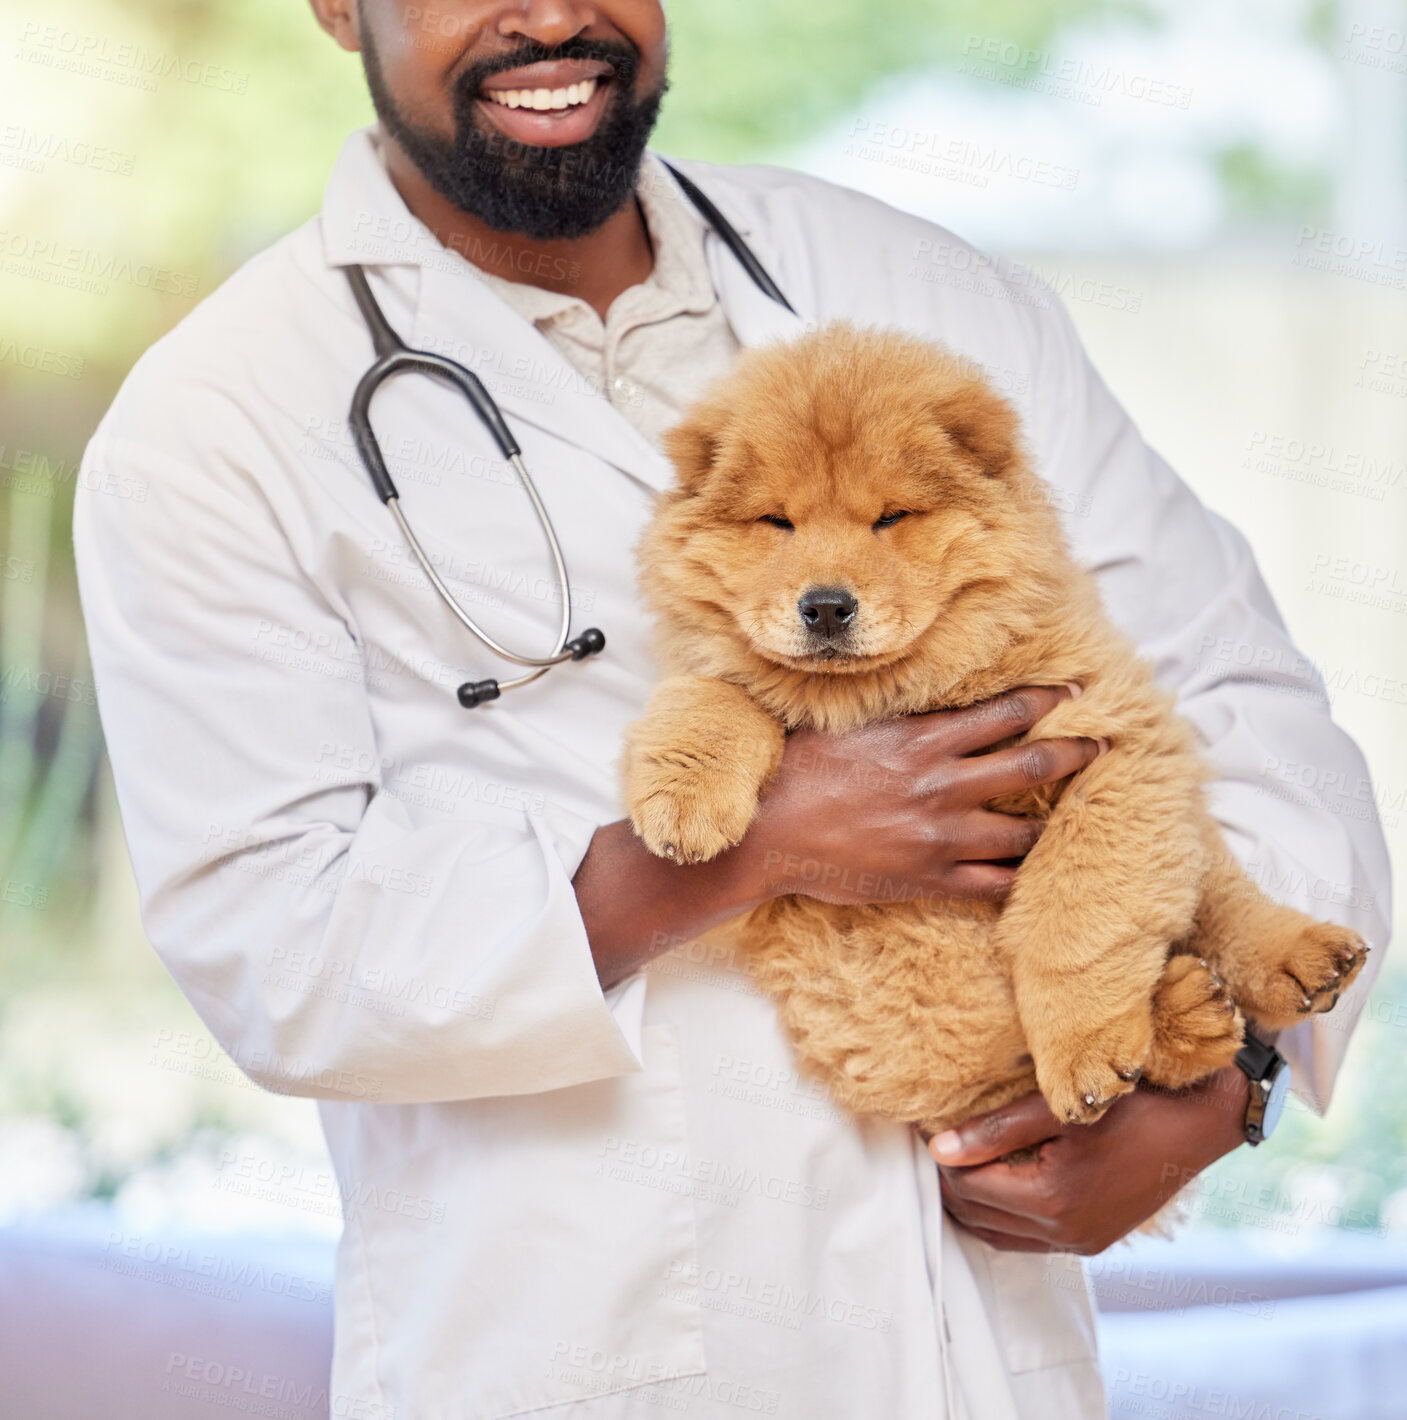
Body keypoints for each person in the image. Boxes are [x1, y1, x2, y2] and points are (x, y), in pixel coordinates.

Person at [73, 2, 1390, 1417]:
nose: (552, 14)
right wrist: (762, 846)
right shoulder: (215, 422)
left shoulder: (915, 292)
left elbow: (1240, 702)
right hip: (572, 1349)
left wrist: (1220, 1088)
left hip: (971, 1342)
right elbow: (278, 955)